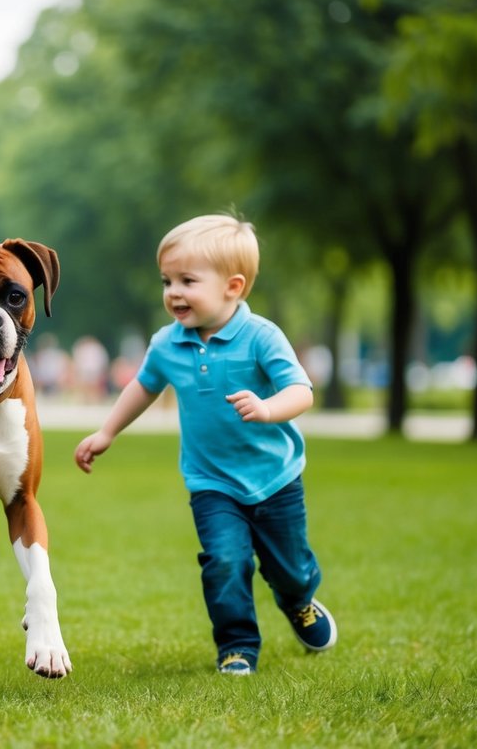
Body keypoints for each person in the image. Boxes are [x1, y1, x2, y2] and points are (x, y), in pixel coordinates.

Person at [74, 214, 336, 675]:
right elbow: (142, 386)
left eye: (187, 280)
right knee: (224, 562)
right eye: (167, 280)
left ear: (233, 287)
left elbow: (302, 390)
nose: (173, 292)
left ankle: (299, 601)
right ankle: (237, 645)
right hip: (211, 482)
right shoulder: (166, 344)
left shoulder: (261, 337)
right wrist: (107, 431)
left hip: (275, 478)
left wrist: (268, 407)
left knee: (289, 568)